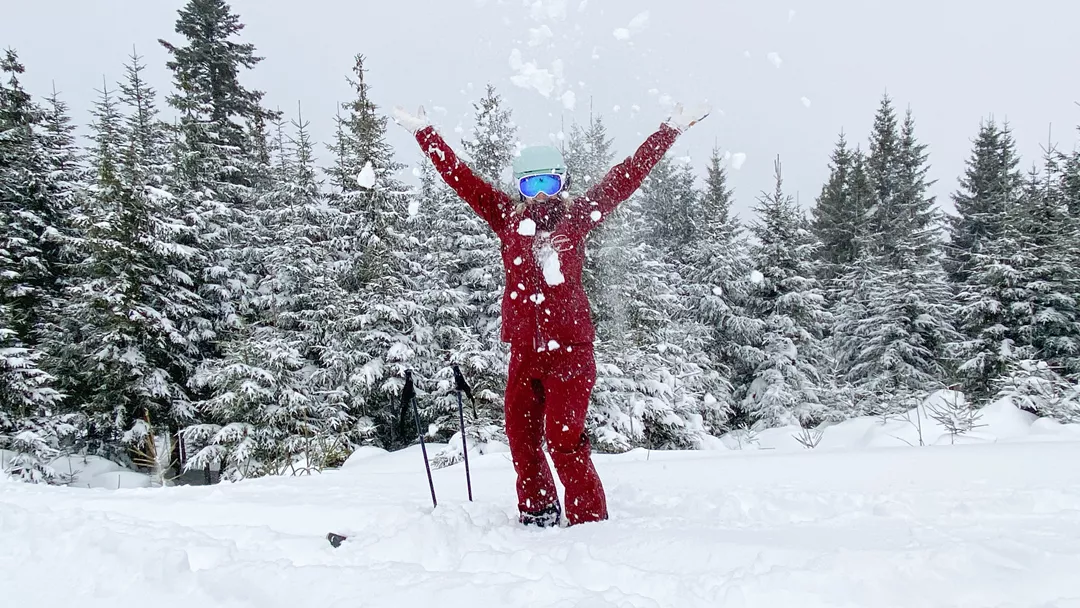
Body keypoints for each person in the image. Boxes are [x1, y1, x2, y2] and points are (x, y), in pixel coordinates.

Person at [392, 103, 709, 527]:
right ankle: (538, 510)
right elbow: (461, 179)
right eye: (531, 185)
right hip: (525, 352)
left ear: (563, 184)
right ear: (519, 189)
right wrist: (425, 133)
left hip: (571, 354)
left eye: (549, 183)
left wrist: (668, 131)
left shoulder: (577, 217)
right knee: (522, 439)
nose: (540, 195)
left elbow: (626, 176)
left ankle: (588, 518)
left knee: (563, 437)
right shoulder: (505, 217)